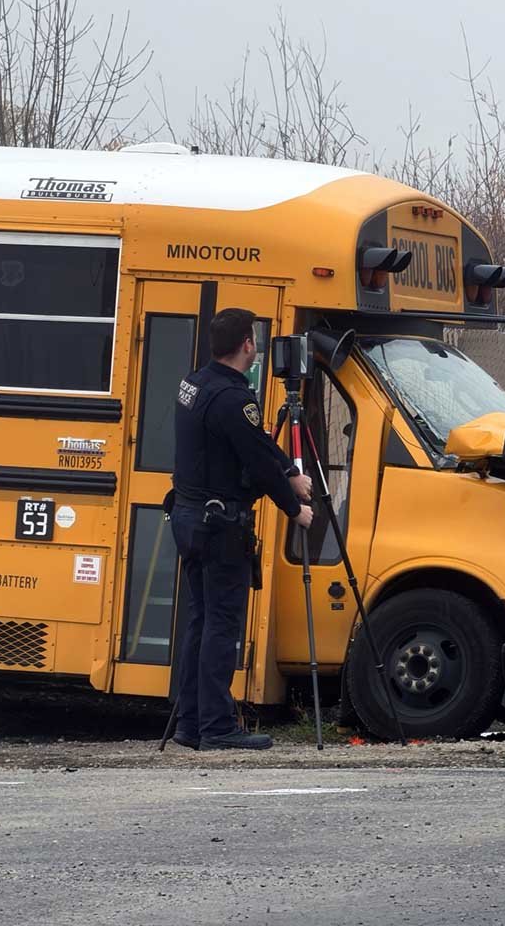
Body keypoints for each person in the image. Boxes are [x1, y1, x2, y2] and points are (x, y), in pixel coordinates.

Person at [168, 308, 314, 750]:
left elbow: (255, 443)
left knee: (201, 620)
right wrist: (294, 508)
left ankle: (190, 723)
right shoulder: (235, 399)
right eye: (254, 340)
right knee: (221, 625)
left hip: (190, 518)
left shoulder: (194, 384)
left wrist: (288, 469)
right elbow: (256, 461)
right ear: (247, 345)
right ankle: (217, 727)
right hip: (219, 527)